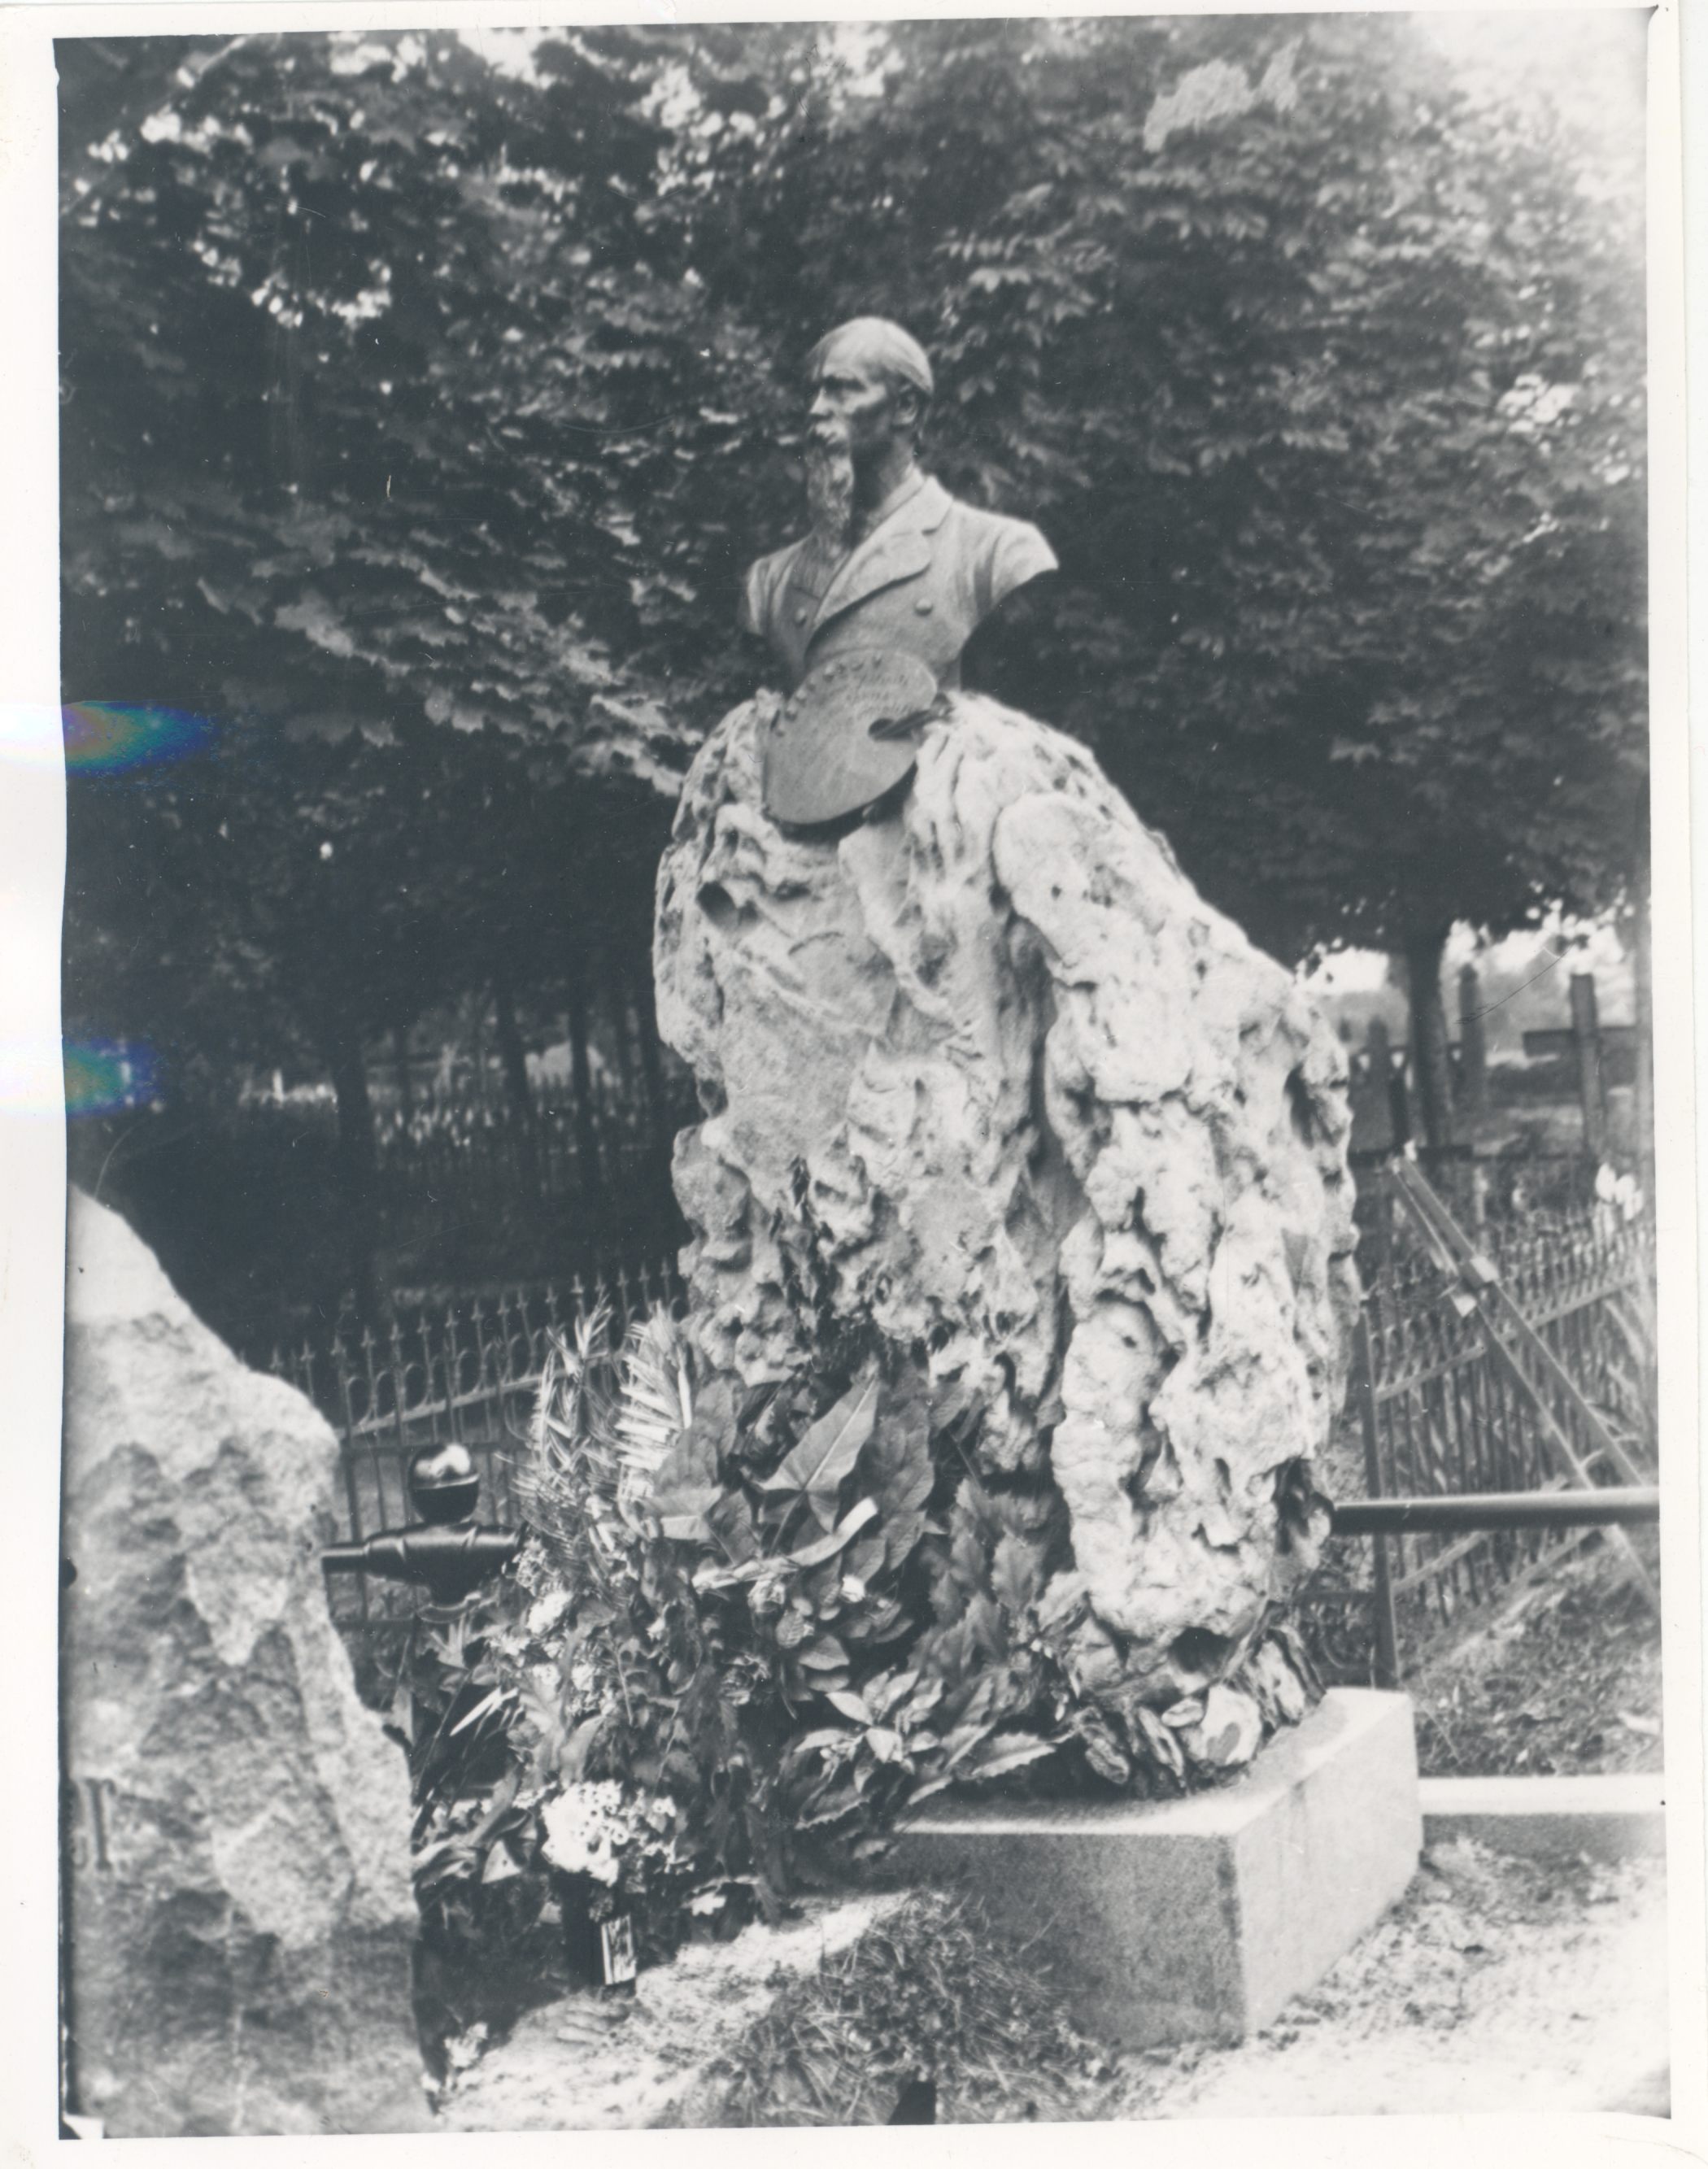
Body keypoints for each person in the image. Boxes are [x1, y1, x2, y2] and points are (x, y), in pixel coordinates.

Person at [740, 316, 1057, 694]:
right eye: (816, 392)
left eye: (841, 389)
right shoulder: (770, 582)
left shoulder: (996, 555)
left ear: (906, 407)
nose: (816, 409)